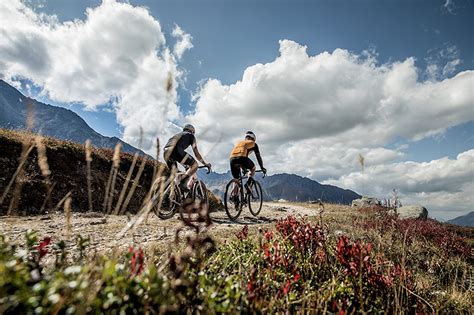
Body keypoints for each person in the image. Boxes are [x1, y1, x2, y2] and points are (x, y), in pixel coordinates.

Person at [163, 124, 211, 191]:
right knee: (195, 165)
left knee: (176, 174)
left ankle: (172, 193)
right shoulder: (191, 136)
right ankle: (182, 182)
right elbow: (196, 152)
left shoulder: (179, 134)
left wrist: (186, 165)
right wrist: (205, 164)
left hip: (165, 151)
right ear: (192, 131)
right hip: (176, 150)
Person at [229, 131, 266, 199]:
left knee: (236, 179)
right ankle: (248, 184)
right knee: (253, 168)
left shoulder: (240, 143)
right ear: (253, 139)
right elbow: (258, 157)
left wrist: (243, 168)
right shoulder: (253, 143)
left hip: (232, 159)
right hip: (242, 158)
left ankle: (235, 197)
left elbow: (238, 155)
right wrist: (262, 167)